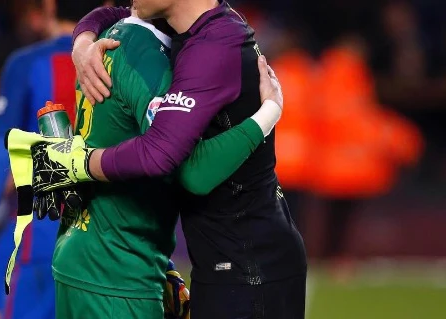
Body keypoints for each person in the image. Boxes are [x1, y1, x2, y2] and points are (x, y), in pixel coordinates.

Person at [21, 0, 307, 318]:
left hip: (247, 264)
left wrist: (77, 164)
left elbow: (174, 161)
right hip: (128, 268)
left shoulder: (205, 47)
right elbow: (112, 12)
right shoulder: (156, 35)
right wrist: (82, 39)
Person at [0, 1, 107, 318]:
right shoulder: (120, 60)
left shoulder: (31, 63)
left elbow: (0, 149)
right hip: (108, 228)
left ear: (50, 6)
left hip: (45, 224)